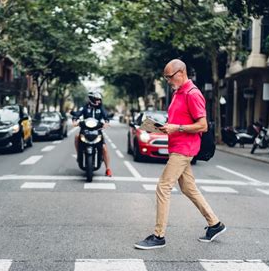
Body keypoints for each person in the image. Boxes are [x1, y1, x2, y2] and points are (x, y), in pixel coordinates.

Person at [134, 59, 226, 250]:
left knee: (163, 187)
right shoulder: (178, 93)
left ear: (181, 73)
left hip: (185, 149)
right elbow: (177, 121)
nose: (167, 80)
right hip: (177, 146)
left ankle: (159, 236)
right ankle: (215, 224)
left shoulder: (193, 94)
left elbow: (203, 125)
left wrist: (178, 128)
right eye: (166, 77)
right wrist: (163, 127)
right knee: (188, 188)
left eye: (169, 76)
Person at [72, 91, 113, 177]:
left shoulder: (101, 108)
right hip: (85, 130)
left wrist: (107, 122)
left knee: (104, 148)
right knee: (76, 137)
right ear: (92, 99)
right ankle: (78, 155)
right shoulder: (85, 107)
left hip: (97, 130)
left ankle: (108, 169)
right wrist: (75, 120)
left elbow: (106, 115)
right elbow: (78, 114)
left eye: (100, 100)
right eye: (97, 99)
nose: (99, 101)